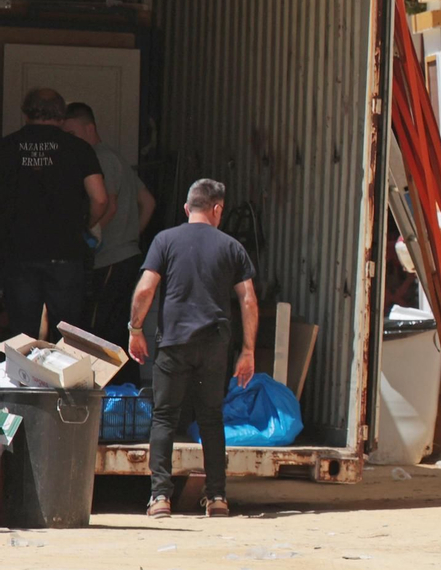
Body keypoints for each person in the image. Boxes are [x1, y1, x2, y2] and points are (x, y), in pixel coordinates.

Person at [129, 179, 258, 519]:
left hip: (174, 344)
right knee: (211, 418)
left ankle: (159, 498)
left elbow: (145, 290)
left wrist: (136, 330)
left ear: (188, 208)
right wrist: (248, 350)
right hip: (215, 345)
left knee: (164, 416)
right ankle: (217, 498)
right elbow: (248, 299)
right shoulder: (232, 247)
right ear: (217, 210)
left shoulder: (165, 240)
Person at [0, 88, 110, 338]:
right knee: (68, 336)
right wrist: (88, 225)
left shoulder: (6, 148)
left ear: (26, 112)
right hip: (66, 254)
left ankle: (22, 378)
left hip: (18, 255)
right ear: (61, 114)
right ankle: (65, 377)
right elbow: (100, 198)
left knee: (21, 336)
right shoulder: (79, 148)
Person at [64, 103, 155, 378]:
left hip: (110, 259)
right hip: (126, 256)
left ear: (89, 128)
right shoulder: (117, 158)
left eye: (72, 132)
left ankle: (103, 393)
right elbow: (148, 202)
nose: (68, 138)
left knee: (98, 329)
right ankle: (123, 396)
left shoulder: (99, 158)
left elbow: (108, 205)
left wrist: (89, 235)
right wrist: (130, 236)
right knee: (117, 327)